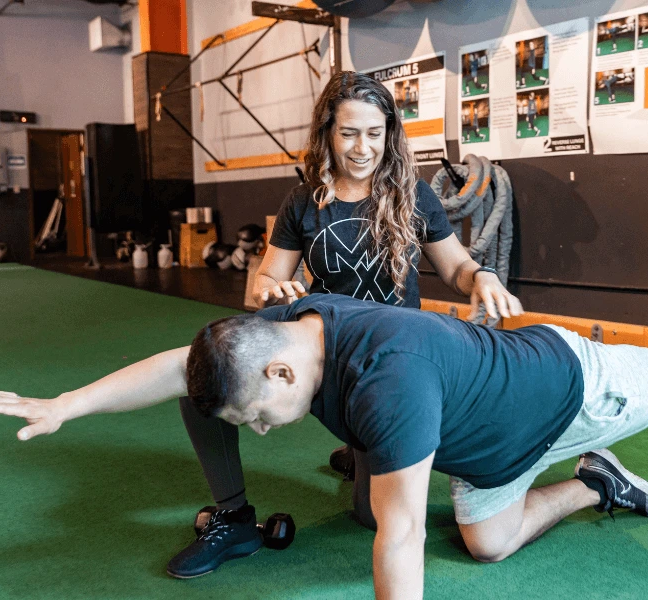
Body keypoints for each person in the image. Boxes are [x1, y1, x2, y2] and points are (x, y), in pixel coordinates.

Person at [0, 273, 648, 598]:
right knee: (487, 543)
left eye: (256, 415)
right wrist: (70, 402)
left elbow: (397, 538)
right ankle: (595, 480)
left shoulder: (390, 383)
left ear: (284, 377)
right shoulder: (287, 328)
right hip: (487, 443)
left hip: (570, 387)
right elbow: (178, 368)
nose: (258, 429)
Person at [177, 70, 522, 577]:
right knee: (204, 377)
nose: (362, 147)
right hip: (325, 357)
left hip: (390, 368)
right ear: (327, 134)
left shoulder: (413, 194)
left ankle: (362, 448)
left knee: (369, 515)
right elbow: (267, 277)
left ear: (389, 134)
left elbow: (455, 268)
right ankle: (232, 515)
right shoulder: (304, 200)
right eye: (348, 133)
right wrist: (271, 287)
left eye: (374, 133)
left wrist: (483, 276)